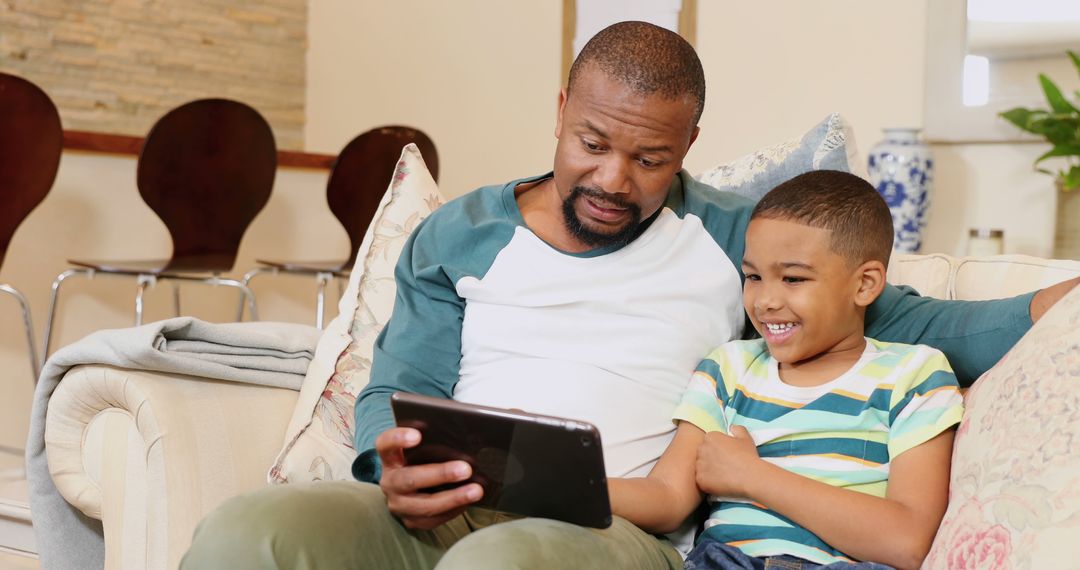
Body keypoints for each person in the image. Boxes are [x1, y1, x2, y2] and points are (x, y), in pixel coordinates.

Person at [182, 21, 1079, 570]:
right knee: (248, 535)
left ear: (690, 142)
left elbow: (918, 321)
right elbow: (396, 384)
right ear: (563, 106)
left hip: (614, 534)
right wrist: (392, 465)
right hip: (443, 509)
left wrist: (1056, 302)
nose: (614, 177)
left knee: (505, 561)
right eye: (592, 141)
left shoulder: (736, 238)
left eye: (650, 158)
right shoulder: (458, 235)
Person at [612, 170, 960, 570]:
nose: (765, 301)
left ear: (864, 284)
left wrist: (752, 476)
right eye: (754, 277)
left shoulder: (914, 374)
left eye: (793, 278)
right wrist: (566, 489)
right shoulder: (728, 369)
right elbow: (668, 497)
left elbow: (906, 542)